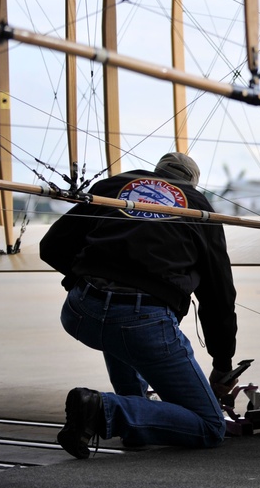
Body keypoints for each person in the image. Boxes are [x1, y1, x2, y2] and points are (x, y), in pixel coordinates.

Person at [39, 152, 239, 459]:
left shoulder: (116, 186)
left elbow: (51, 246)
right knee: (210, 426)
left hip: (81, 311)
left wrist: (84, 275)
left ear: (156, 172)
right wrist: (222, 362)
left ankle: (135, 423)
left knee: (122, 336)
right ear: (191, 183)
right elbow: (218, 296)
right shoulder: (198, 206)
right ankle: (102, 409)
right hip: (141, 320)